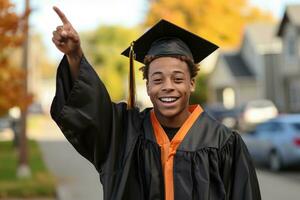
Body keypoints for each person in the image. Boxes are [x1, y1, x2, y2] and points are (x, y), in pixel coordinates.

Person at [51, 6, 261, 200]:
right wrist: (75, 55)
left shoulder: (224, 143)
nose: (168, 86)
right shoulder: (123, 133)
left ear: (192, 84)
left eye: (178, 79)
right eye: (158, 79)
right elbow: (90, 109)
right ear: (148, 85)